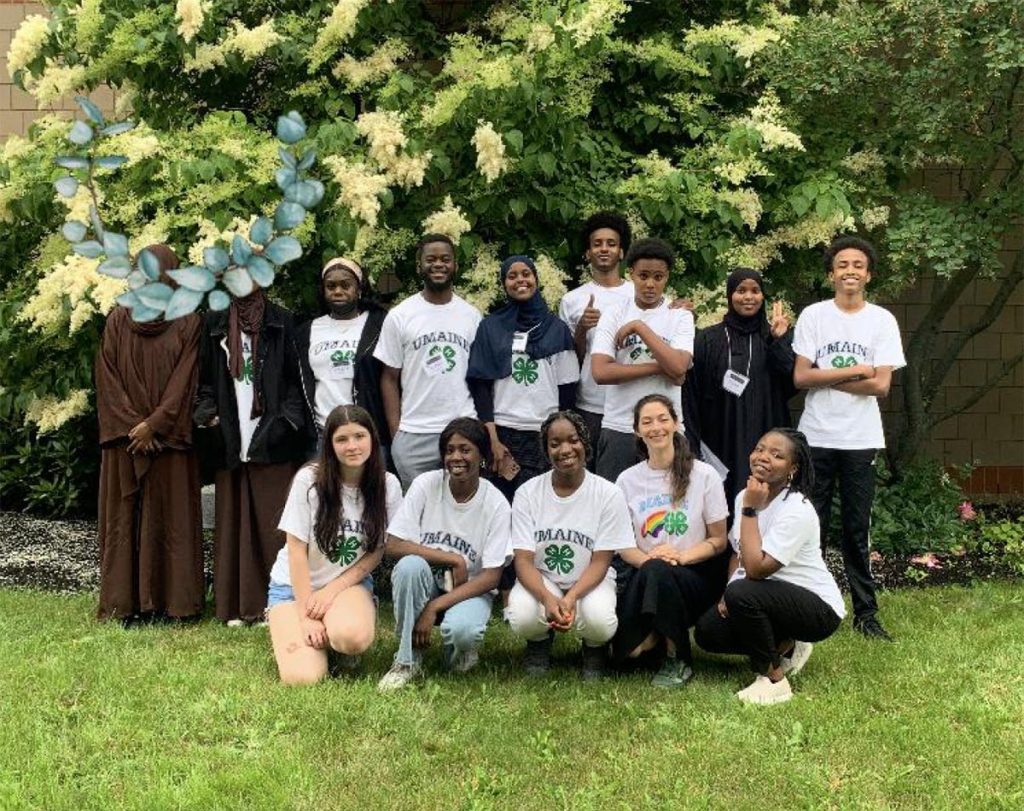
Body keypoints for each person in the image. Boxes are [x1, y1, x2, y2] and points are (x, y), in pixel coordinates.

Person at [792, 236, 905, 640]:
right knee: (813, 526)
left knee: (857, 529)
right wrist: (857, 370)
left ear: (868, 274)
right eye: (842, 265)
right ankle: (811, 607)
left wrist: (827, 376)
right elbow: (801, 376)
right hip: (817, 436)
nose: (850, 271)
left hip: (860, 438)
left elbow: (881, 386)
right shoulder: (814, 316)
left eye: (858, 265)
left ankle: (866, 615)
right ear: (831, 274)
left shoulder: (882, 321)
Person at [694, 428, 845, 705]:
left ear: (792, 469)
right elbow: (738, 552)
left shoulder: (797, 509)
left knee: (743, 593)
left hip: (817, 607)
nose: (763, 457)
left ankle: (774, 680)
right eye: (760, 449)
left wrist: (750, 511)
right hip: (768, 596)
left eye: (777, 455)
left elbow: (756, 569)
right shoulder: (745, 496)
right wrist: (728, 592)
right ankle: (787, 648)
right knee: (709, 632)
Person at [95, 244, 204, 624]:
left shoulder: (188, 321)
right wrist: (134, 428)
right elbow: (107, 379)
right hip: (127, 442)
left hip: (168, 441)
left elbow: (186, 380)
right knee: (125, 520)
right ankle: (125, 603)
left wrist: (154, 425)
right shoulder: (117, 320)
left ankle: (174, 604)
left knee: (171, 520)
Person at [194, 287, 307, 625]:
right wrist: (208, 415)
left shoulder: (282, 322)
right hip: (231, 439)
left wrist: (283, 424)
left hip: (272, 442)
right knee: (233, 529)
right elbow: (203, 381)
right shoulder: (214, 323)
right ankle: (236, 607)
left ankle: (276, 606)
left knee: (272, 529)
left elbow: (296, 385)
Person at [267, 405, 402, 685]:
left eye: (359, 436)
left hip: (346, 585)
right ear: (329, 444)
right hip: (293, 587)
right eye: (342, 439)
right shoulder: (309, 480)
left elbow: (378, 550)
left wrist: (331, 591)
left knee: (352, 637)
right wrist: (307, 616)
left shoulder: (387, 485)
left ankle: (337, 633)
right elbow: (295, 549)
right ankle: (301, 632)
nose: (352, 446)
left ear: (372, 439)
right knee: (303, 678)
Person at [378, 418, 512, 691]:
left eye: (465, 449)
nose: (456, 457)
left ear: (482, 456)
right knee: (409, 567)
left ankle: (460, 651)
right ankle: (406, 660)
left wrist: (434, 607)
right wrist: (452, 559)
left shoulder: (496, 503)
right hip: (426, 581)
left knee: (463, 633)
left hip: (468, 588)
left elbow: (491, 577)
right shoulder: (426, 484)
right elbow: (394, 544)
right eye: (449, 450)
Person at [506, 411, 635, 679]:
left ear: (585, 443)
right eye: (555, 444)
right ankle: (538, 642)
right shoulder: (527, 493)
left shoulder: (608, 494)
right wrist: (547, 598)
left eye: (573, 440)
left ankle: (594, 648)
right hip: (543, 578)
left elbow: (601, 561)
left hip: (591, 578)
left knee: (600, 620)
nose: (565, 450)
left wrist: (571, 597)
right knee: (521, 614)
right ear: (546, 450)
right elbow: (523, 561)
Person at [612, 394, 730, 687]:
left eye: (663, 419)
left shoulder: (705, 475)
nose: (656, 427)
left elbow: (719, 540)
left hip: (696, 576)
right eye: (647, 422)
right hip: (646, 573)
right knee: (629, 655)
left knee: (659, 570)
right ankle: (653, 638)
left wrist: (679, 556)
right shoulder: (626, 480)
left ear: (676, 423)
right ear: (637, 431)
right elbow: (624, 546)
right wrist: (651, 559)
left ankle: (678, 657)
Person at [373, 234, 481, 489]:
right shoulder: (400, 315)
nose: (438, 264)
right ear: (419, 265)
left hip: (462, 428)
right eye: (431, 259)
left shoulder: (472, 316)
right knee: (418, 508)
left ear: (455, 265)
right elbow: (389, 378)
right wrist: (397, 433)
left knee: (462, 503)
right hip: (414, 434)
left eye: (445, 259)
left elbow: (480, 378)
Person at [683, 268, 796, 510]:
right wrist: (692, 446)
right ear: (729, 295)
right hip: (720, 436)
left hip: (766, 430)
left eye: (755, 291)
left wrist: (779, 340)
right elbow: (690, 395)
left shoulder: (773, 336)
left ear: (763, 296)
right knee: (720, 502)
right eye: (741, 290)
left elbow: (792, 382)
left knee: (765, 502)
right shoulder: (707, 340)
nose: (748, 297)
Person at [468, 254, 578, 502]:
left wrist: (559, 435)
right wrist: (492, 439)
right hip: (503, 432)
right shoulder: (491, 327)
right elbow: (480, 385)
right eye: (512, 276)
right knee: (501, 503)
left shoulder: (557, 329)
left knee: (540, 504)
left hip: (544, 431)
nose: (520, 280)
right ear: (504, 284)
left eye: (526, 274)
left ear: (536, 279)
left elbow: (568, 390)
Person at [591, 237, 694, 482]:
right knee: (615, 501)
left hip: (667, 429)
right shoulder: (614, 314)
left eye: (658, 277)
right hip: (621, 427)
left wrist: (640, 327)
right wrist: (660, 368)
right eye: (643, 276)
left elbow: (679, 366)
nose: (650, 284)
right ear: (631, 274)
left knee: (672, 501)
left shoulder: (679, 316)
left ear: (667, 277)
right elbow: (601, 372)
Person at [558, 212, 635, 467]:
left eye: (611, 244)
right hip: (589, 404)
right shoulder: (572, 300)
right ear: (588, 252)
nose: (604, 249)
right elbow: (570, 361)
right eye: (597, 244)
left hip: (630, 403)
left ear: (621, 252)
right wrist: (582, 329)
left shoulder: (638, 294)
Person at [296, 256, 389, 454]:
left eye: (346, 285)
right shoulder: (307, 331)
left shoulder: (380, 325)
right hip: (322, 436)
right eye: (331, 286)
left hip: (369, 435)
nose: (338, 291)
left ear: (359, 288)